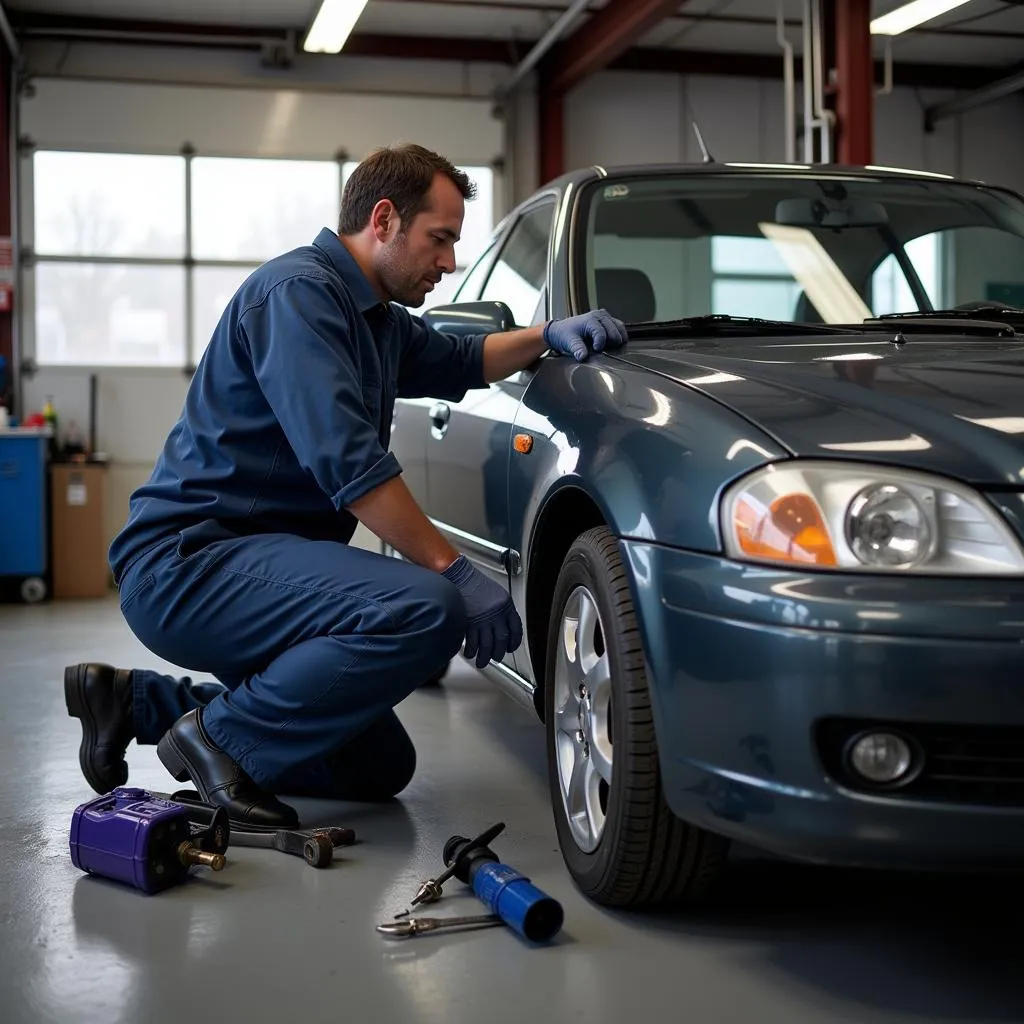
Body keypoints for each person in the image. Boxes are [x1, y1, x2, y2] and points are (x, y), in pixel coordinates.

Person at [63, 143, 628, 828]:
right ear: (384, 219)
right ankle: (219, 744)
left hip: (256, 564)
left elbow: (464, 358)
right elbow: (349, 466)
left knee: (377, 766)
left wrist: (548, 335)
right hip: (191, 563)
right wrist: (454, 570)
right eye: (440, 239)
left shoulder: (379, 322)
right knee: (425, 605)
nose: (449, 263)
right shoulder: (298, 296)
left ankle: (135, 702)